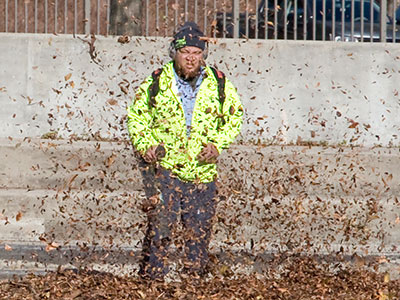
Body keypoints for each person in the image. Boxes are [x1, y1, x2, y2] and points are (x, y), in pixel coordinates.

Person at [127, 21, 243, 280]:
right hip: (165, 171)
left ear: (204, 55)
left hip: (202, 174)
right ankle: (152, 283)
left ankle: (193, 284)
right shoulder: (157, 81)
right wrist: (147, 145)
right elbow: (137, 117)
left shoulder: (219, 84)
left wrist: (218, 145)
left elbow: (234, 118)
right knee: (160, 231)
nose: (191, 58)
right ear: (174, 53)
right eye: (185, 52)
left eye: (196, 53)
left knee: (198, 234)